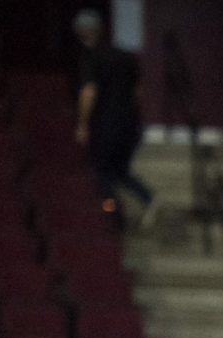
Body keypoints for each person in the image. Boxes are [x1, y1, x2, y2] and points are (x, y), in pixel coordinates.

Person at [73, 11, 152, 225]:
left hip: (105, 126)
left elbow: (89, 93)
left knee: (102, 174)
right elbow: (138, 92)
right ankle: (147, 197)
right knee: (120, 172)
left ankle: (115, 215)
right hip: (130, 125)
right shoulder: (125, 57)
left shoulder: (90, 57)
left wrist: (82, 125)